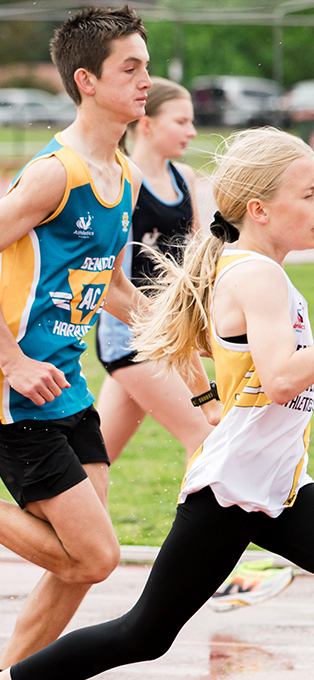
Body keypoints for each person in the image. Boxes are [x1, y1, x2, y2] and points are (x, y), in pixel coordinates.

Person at [0, 127, 314, 680]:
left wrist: (209, 402)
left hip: (278, 486)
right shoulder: (257, 274)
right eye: (309, 194)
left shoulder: (249, 267)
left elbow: (212, 352)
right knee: (141, 635)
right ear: (260, 209)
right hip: (231, 491)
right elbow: (279, 381)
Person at [0, 6, 185, 667]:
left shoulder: (124, 176)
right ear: (87, 80)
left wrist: (178, 334)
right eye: (130, 68)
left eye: (146, 65)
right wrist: (12, 358)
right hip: (17, 395)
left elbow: (109, 287)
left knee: (78, 568)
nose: (146, 81)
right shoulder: (55, 173)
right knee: (96, 557)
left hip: (68, 387)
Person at [93, 76, 212, 463]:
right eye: (180, 121)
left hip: (168, 335)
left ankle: (55, 523)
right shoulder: (121, 181)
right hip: (132, 338)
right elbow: (111, 279)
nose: (191, 132)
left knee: (92, 461)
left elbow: (197, 265)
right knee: (206, 436)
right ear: (146, 124)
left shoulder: (185, 179)